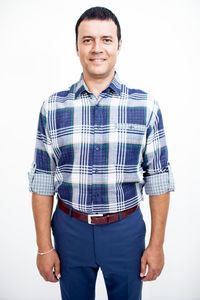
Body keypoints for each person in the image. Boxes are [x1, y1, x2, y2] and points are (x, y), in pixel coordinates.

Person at [28, 6, 175, 300]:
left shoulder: (146, 106)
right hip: (70, 230)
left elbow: (158, 179)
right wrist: (44, 247)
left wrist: (156, 245)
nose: (97, 49)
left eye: (106, 40)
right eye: (88, 40)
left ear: (119, 45)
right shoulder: (52, 107)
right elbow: (42, 180)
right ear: (77, 47)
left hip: (125, 230)